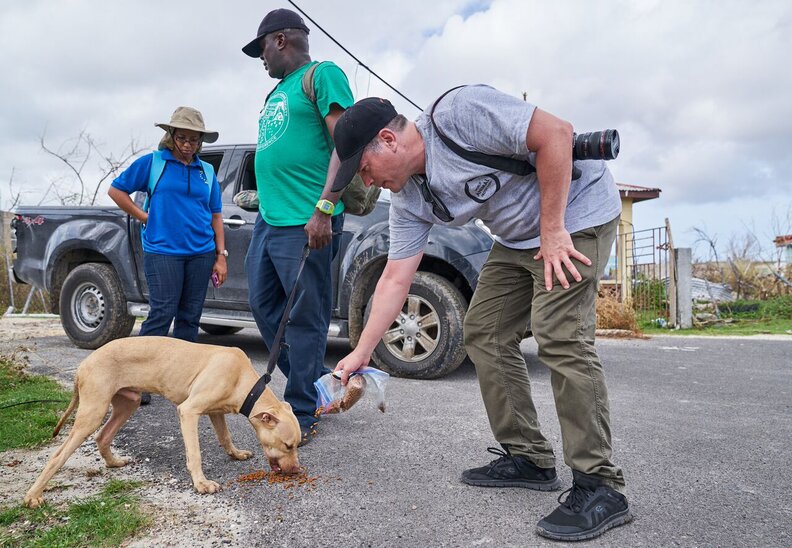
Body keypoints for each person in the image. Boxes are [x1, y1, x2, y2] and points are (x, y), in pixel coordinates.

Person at [327, 87, 631, 541]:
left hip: (574, 213)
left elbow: (557, 134)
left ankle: (601, 485)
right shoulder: (411, 198)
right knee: (484, 332)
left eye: (365, 169)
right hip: (519, 238)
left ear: (389, 141)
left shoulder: (459, 114)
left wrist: (552, 230)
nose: (367, 183)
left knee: (558, 333)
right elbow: (395, 278)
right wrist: (362, 352)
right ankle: (529, 457)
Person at [241, 8, 353, 444]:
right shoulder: (276, 93)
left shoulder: (322, 75)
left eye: (262, 49)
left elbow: (348, 141)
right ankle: (314, 380)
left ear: (281, 40)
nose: (261, 59)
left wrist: (325, 207)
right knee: (262, 305)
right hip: (270, 220)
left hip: (308, 221)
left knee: (305, 319)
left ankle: (303, 408)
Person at [109, 106, 226, 404]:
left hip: (200, 253)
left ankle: (181, 382)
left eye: (194, 140)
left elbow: (215, 215)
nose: (188, 145)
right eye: (182, 138)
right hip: (163, 252)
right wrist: (144, 216)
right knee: (162, 314)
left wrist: (220, 255)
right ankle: (137, 382)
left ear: (201, 142)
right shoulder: (153, 163)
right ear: (171, 136)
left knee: (190, 317)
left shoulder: (207, 172)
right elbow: (116, 190)